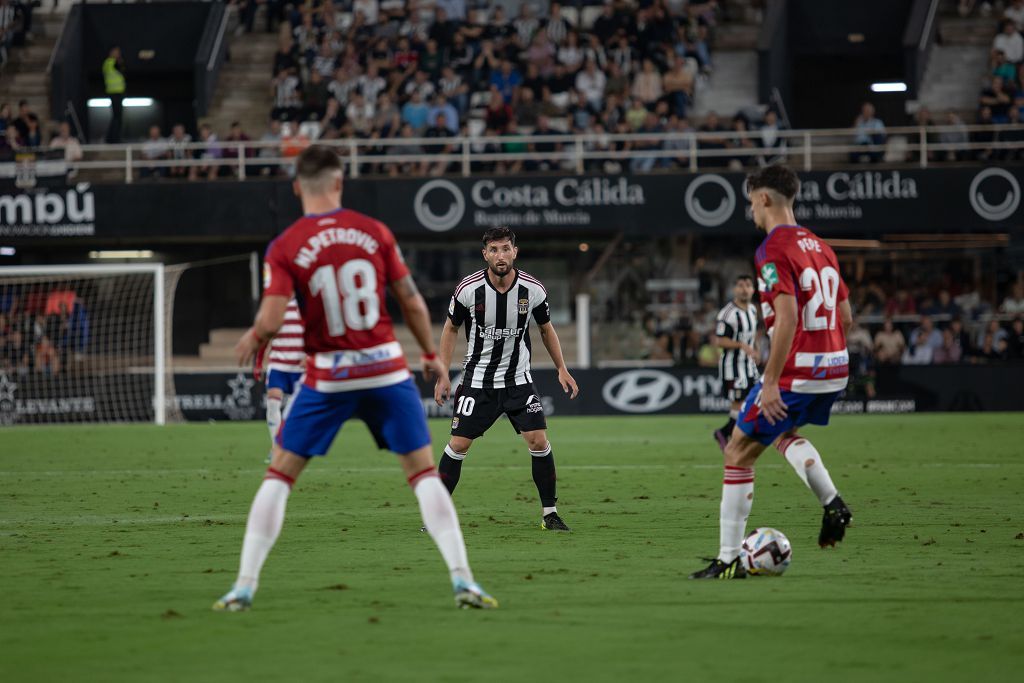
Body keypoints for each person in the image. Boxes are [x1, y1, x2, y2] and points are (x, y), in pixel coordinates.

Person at [214, 146, 497, 612]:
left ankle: (243, 585)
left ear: (296, 188)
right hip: (386, 368)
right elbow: (410, 300)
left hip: (328, 375)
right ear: (339, 183)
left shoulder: (285, 245)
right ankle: (464, 580)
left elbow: (270, 318)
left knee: (279, 475)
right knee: (424, 474)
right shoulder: (375, 231)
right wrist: (429, 354)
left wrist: (255, 337)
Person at [690, 164, 854, 580]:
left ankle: (729, 560)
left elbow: (786, 316)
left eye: (750, 203)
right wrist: (828, 353)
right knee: (780, 433)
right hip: (834, 364)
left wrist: (769, 382)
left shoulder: (773, 248)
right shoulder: (820, 246)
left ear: (763, 198)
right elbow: (846, 316)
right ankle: (832, 501)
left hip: (797, 371)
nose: (751, 211)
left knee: (738, 449)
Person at [433, 227, 579, 532]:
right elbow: (450, 328)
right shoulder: (468, 289)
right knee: (458, 445)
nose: (501, 255)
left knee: (538, 440)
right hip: (478, 380)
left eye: (505, 248)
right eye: (494, 250)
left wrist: (561, 367)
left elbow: (546, 329)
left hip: (518, 379)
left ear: (515, 251)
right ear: (485, 254)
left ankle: (550, 513)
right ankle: (436, 517)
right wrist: (443, 374)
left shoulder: (533, 289)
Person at [711, 275, 759, 451]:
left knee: (753, 400)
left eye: (748, 285)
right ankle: (732, 436)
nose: (744, 289)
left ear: (753, 289)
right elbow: (720, 341)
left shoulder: (753, 310)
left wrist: (756, 350)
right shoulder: (728, 314)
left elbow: (753, 335)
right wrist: (741, 345)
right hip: (733, 367)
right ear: (734, 290)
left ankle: (726, 433)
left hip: (749, 365)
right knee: (738, 403)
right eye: (740, 285)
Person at [254, 298, 305, 463]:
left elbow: (316, 334)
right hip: (278, 364)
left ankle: (287, 446)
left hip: (299, 367)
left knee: (291, 411)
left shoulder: (307, 306)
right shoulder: (277, 307)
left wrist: (311, 356)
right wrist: (258, 363)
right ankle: (275, 447)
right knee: (273, 403)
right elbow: (265, 337)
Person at [102, 46, 126, 144]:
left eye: (119, 52)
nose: (118, 54)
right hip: (113, 92)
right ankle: (113, 139)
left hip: (119, 92)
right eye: (116, 52)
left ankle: (112, 138)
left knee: (118, 117)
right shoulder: (109, 62)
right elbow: (119, 66)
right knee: (117, 117)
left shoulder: (115, 62)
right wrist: (118, 60)